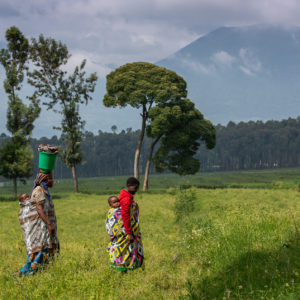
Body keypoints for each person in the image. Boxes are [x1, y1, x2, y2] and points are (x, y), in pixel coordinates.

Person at [18, 171, 59, 275]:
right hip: (42, 228)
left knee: (47, 252)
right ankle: (25, 273)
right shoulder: (39, 190)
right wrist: (49, 224)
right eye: (50, 178)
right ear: (45, 179)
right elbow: (39, 208)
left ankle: (43, 273)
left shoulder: (44, 191)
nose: (52, 181)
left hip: (45, 227)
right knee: (42, 251)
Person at [106, 177, 144, 271]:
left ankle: (124, 269)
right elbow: (125, 216)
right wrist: (129, 233)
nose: (136, 190)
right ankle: (123, 269)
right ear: (129, 186)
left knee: (125, 250)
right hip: (125, 231)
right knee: (125, 250)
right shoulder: (126, 199)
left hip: (126, 230)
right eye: (135, 188)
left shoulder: (124, 195)